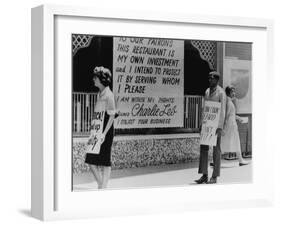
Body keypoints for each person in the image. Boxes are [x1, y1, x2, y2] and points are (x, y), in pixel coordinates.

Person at [85, 66, 116, 189]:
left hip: (106, 130)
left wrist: (104, 133)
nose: (94, 80)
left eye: (96, 78)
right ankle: (101, 184)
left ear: (102, 79)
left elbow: (112, 116)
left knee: (105, 160)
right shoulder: (100, 94)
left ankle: (103, 187)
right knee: (90, 159)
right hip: (97, 129)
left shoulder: (109, 95)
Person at [195, 71, 226, 184]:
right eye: (208, 78)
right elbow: (205, 108)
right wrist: (201, 123)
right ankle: (204, 174)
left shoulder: (221, 93)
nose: (209, 80)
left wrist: (220, 126)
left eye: (211, 78)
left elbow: (222, 111)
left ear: (217, 80)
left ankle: (215, 176)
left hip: (216, 125)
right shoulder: (207, 91)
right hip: (207, 124)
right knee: (204, 148)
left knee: (216, 150)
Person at [220, 86, 249, 166]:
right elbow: (226, 116)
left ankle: (216, 160)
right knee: (234, 142)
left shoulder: (229, 102)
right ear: (229, 92)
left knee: (223, 142)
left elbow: (231, 115)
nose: (234, 93)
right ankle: (240, 160)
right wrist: (223, 127)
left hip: (230, 125)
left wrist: (239, 118)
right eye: (233, 91)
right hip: (230, 126)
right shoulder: (228, 103)